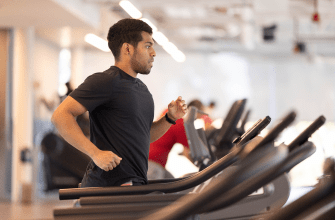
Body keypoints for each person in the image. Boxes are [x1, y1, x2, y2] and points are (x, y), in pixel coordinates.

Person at [51, 18, 187, 187]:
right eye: (147, 45)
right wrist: (96, 153)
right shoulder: (105, 81)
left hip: (134, 184)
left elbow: (144, 136)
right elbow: (60, 115)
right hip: (106, 187)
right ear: (128, 48)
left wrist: (169, 118)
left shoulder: (142, 90)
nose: (153, 52)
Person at [148, 99, 212, 179]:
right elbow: (189, 152)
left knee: (172, 182)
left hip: (142, 158)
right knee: (164, 189)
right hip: (152, 164)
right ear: (197, 112)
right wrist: (206, 168)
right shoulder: (181, 124)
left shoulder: (168, 112)